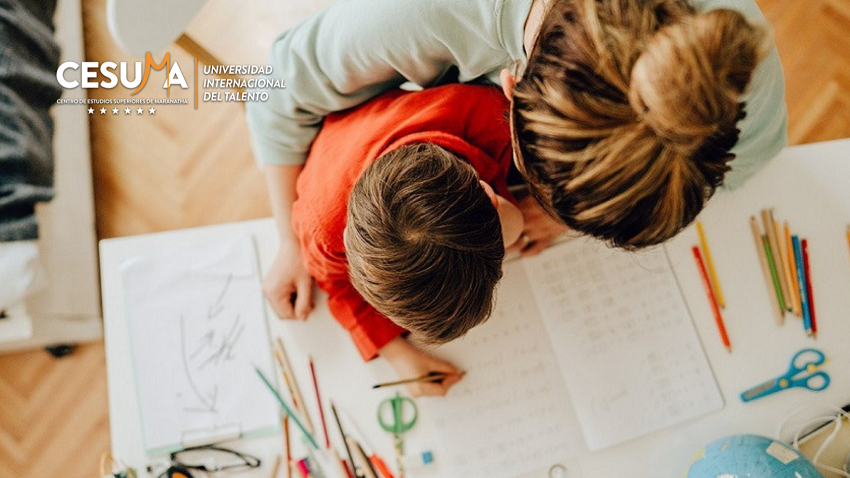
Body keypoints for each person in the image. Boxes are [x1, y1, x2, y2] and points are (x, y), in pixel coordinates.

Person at [247, 0, 786, 323]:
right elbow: (271, 88)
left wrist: (554, 214)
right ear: (511, 83)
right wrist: (290, 241)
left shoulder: (734, 74)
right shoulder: (419, 15)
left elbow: (747, 163)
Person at [291, 84, 523, 396]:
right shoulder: (323, 226)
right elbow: (334, 282)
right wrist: (395, 352)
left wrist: (512, 224)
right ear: (345, 241)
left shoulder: (495, 116)